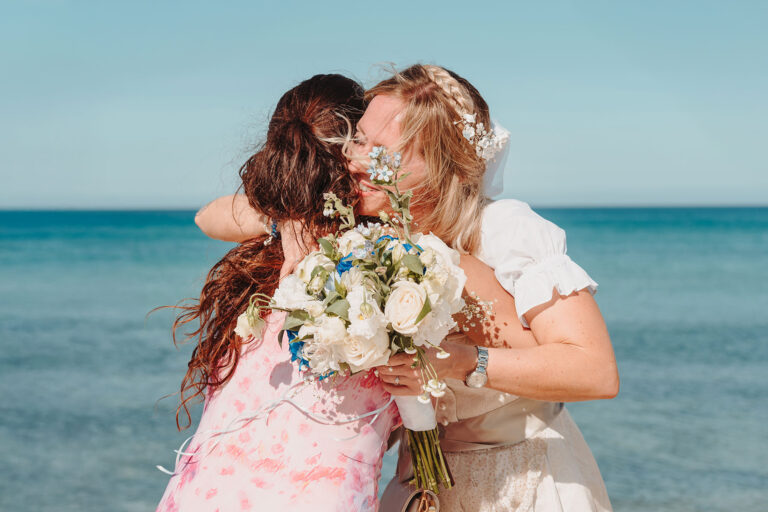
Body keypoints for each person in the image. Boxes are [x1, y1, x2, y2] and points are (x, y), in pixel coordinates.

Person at [196, 64, 618, 511]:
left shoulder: (501, 231)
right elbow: (213, 215)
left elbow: (594, 370)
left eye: (384, 152)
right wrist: (289, 222)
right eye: (358, 139)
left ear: (440, 165)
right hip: (421, 485)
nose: (356, 161)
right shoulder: (363, 227)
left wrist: (458, 362)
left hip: (521, 479)